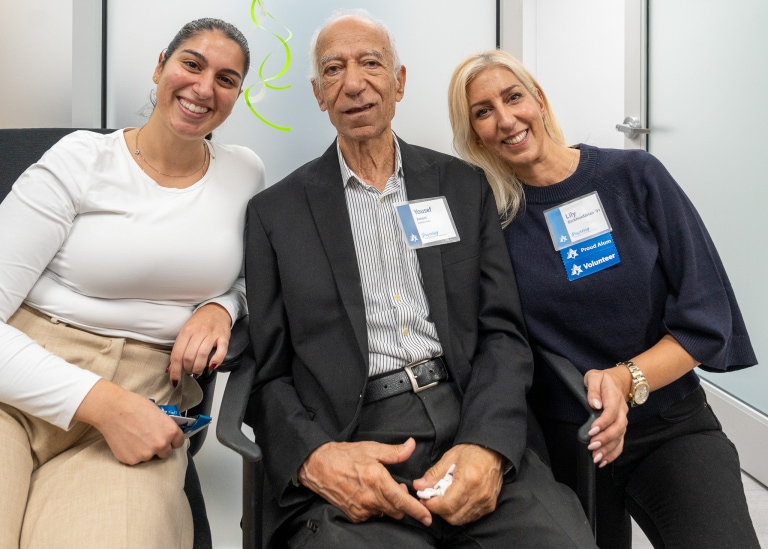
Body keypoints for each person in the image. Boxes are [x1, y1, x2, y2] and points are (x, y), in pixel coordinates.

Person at [244, 11, 597, 549]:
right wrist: (317, 457)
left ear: (400, 82)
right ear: (318, 94)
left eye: (371, 63)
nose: (354, 83)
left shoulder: (462, 186)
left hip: (468, 412)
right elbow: (267, 375)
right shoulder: (276, 213)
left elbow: (503, 333)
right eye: (334, 69)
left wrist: (486, 445)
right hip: (355, 435)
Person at [447, 49, 760, 549]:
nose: (505, 119)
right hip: (564, 442)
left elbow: (706, 315)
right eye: (483, 112)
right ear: (474, 134)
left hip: (667, 422)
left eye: (513, 97)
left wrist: (622, 380)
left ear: (539, 100)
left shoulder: (634, 176)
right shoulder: (492, 222)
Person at [0, 18, 265, 549]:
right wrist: (102, 403)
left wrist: (223, 307)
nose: (204, 88)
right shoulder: (81, 159)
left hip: (148, 392)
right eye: (191, 64)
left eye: (226, 79)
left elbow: (253, 275)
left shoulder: (245, 173)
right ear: (159, 67)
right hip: (20, 381)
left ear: (236, 96)